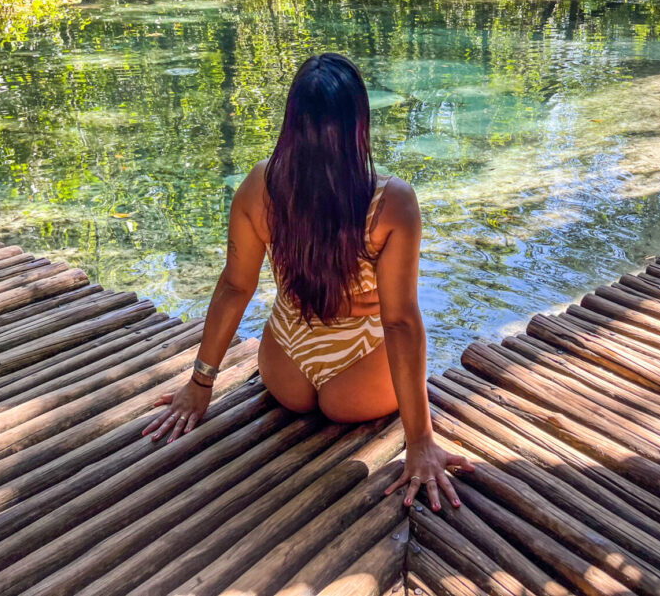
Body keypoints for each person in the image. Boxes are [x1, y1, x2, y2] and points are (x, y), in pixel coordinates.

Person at [141, 53, 472, 511]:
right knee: (394, 326)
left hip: (285, 371)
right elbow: (399, 323)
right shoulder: (391, 201)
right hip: (359, 382)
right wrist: (420, 441)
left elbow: (236, 287)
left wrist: (201, 384)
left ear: (291, 124)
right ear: (360, 123)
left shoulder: (259, 186)